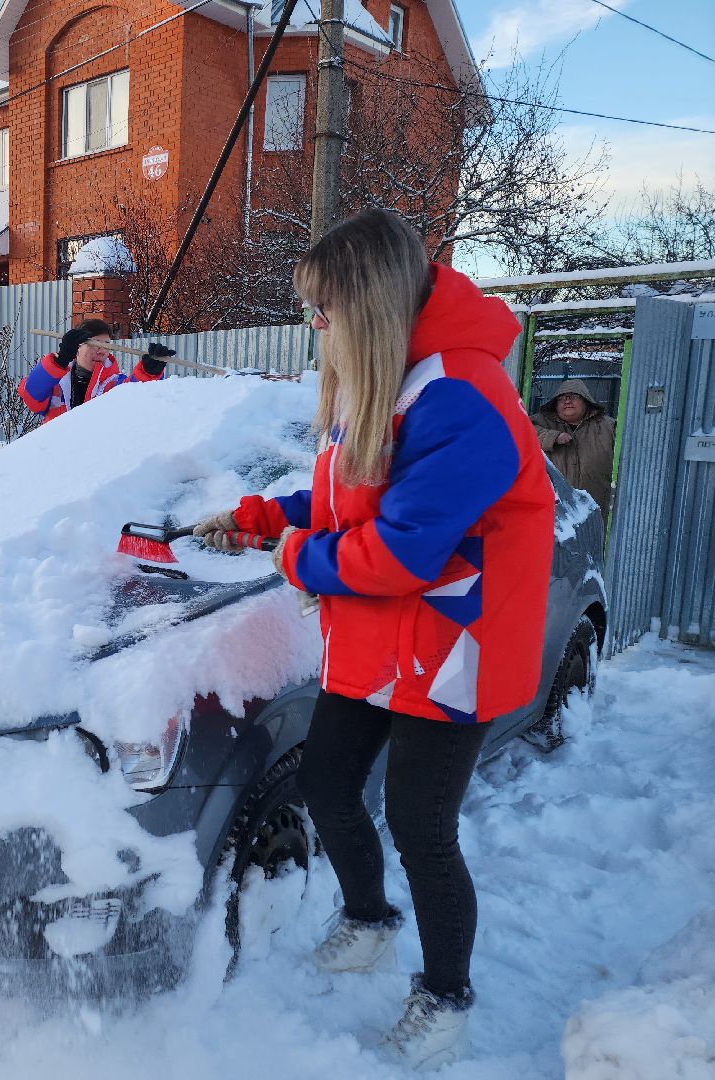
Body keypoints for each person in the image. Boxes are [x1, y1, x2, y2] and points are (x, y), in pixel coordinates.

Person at [193, 208, 554, 1070]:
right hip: (380, 636)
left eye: (325, 307)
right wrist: (258, 516)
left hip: (452, 644)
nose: (316, 325)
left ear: (371, 300)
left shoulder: (462, 392)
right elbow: (346, 496)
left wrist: (292, 555)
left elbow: (401, 549)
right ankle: (367, 921)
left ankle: (446, 995)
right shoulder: (389, 377)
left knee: (422, 825)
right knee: (329, 784)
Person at [18, 319, 173, 423]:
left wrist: (149, 373)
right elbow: (31, 396)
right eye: (94, 344)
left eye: (107, 344)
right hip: (54, 462)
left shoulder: (116, 385)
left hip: (98, 466)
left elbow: (139, 404)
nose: (101, 350)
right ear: (77, 348)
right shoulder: (56, 384)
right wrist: (60, 361)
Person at [531, 379, 616, 519]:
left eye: (574, 396)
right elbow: (517, 432)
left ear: (586, 401)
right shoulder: (540, 422)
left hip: (597, 510)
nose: (567, 401)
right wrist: (552, 437)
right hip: (554, 514)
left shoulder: (608, 426)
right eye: (561, 398)